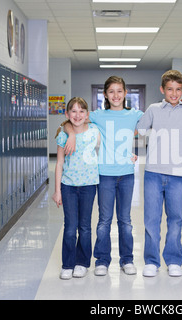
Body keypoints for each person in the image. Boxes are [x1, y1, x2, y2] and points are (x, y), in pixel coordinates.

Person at [64, 76, 142, 276]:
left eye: (119, 91)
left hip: (126, 175)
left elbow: (159, 117)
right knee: (104, 220)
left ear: (125, 93)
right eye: (111, 91)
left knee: (125, 220)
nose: (116, 95)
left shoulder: (135, 114)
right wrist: (71, 134)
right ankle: (102, 260)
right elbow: (72, 120)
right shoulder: (98, 115)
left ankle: (127, 260)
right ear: (105, 95)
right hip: (105, 175)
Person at [136, 70, 182, 277]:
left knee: (175, 218)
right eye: (169, 89)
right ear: (162, 90)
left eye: (177, 90)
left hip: (177, 174)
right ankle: (151, 261)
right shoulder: (153, 109)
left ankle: (174, 260)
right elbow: (139, 130)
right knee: (151, 219)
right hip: (154, 173)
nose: (174, 94)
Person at [52, 97, 101, 280]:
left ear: (87, 115)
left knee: (85, 226)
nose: (77, 115)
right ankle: (68, 264)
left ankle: (82, 263)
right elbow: (59, 163)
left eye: (82, 111)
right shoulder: (63, 135)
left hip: (89, 185)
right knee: (70, 227)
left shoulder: (94, 131)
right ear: (67, 114)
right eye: (73, 111)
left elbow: (110, 146)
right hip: (68, 186)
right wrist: (57, 190)